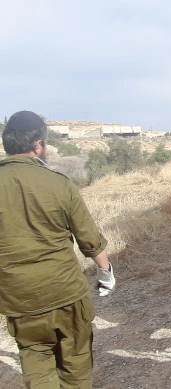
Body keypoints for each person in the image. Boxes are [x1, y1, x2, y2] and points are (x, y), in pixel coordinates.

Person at [0, 110, 116, 389]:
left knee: (36, 363)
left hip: (19, 300)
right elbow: (88, 238)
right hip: (65, 293)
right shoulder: (58, 183)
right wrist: (106, 272)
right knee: (75, 365)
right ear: (38, 144)